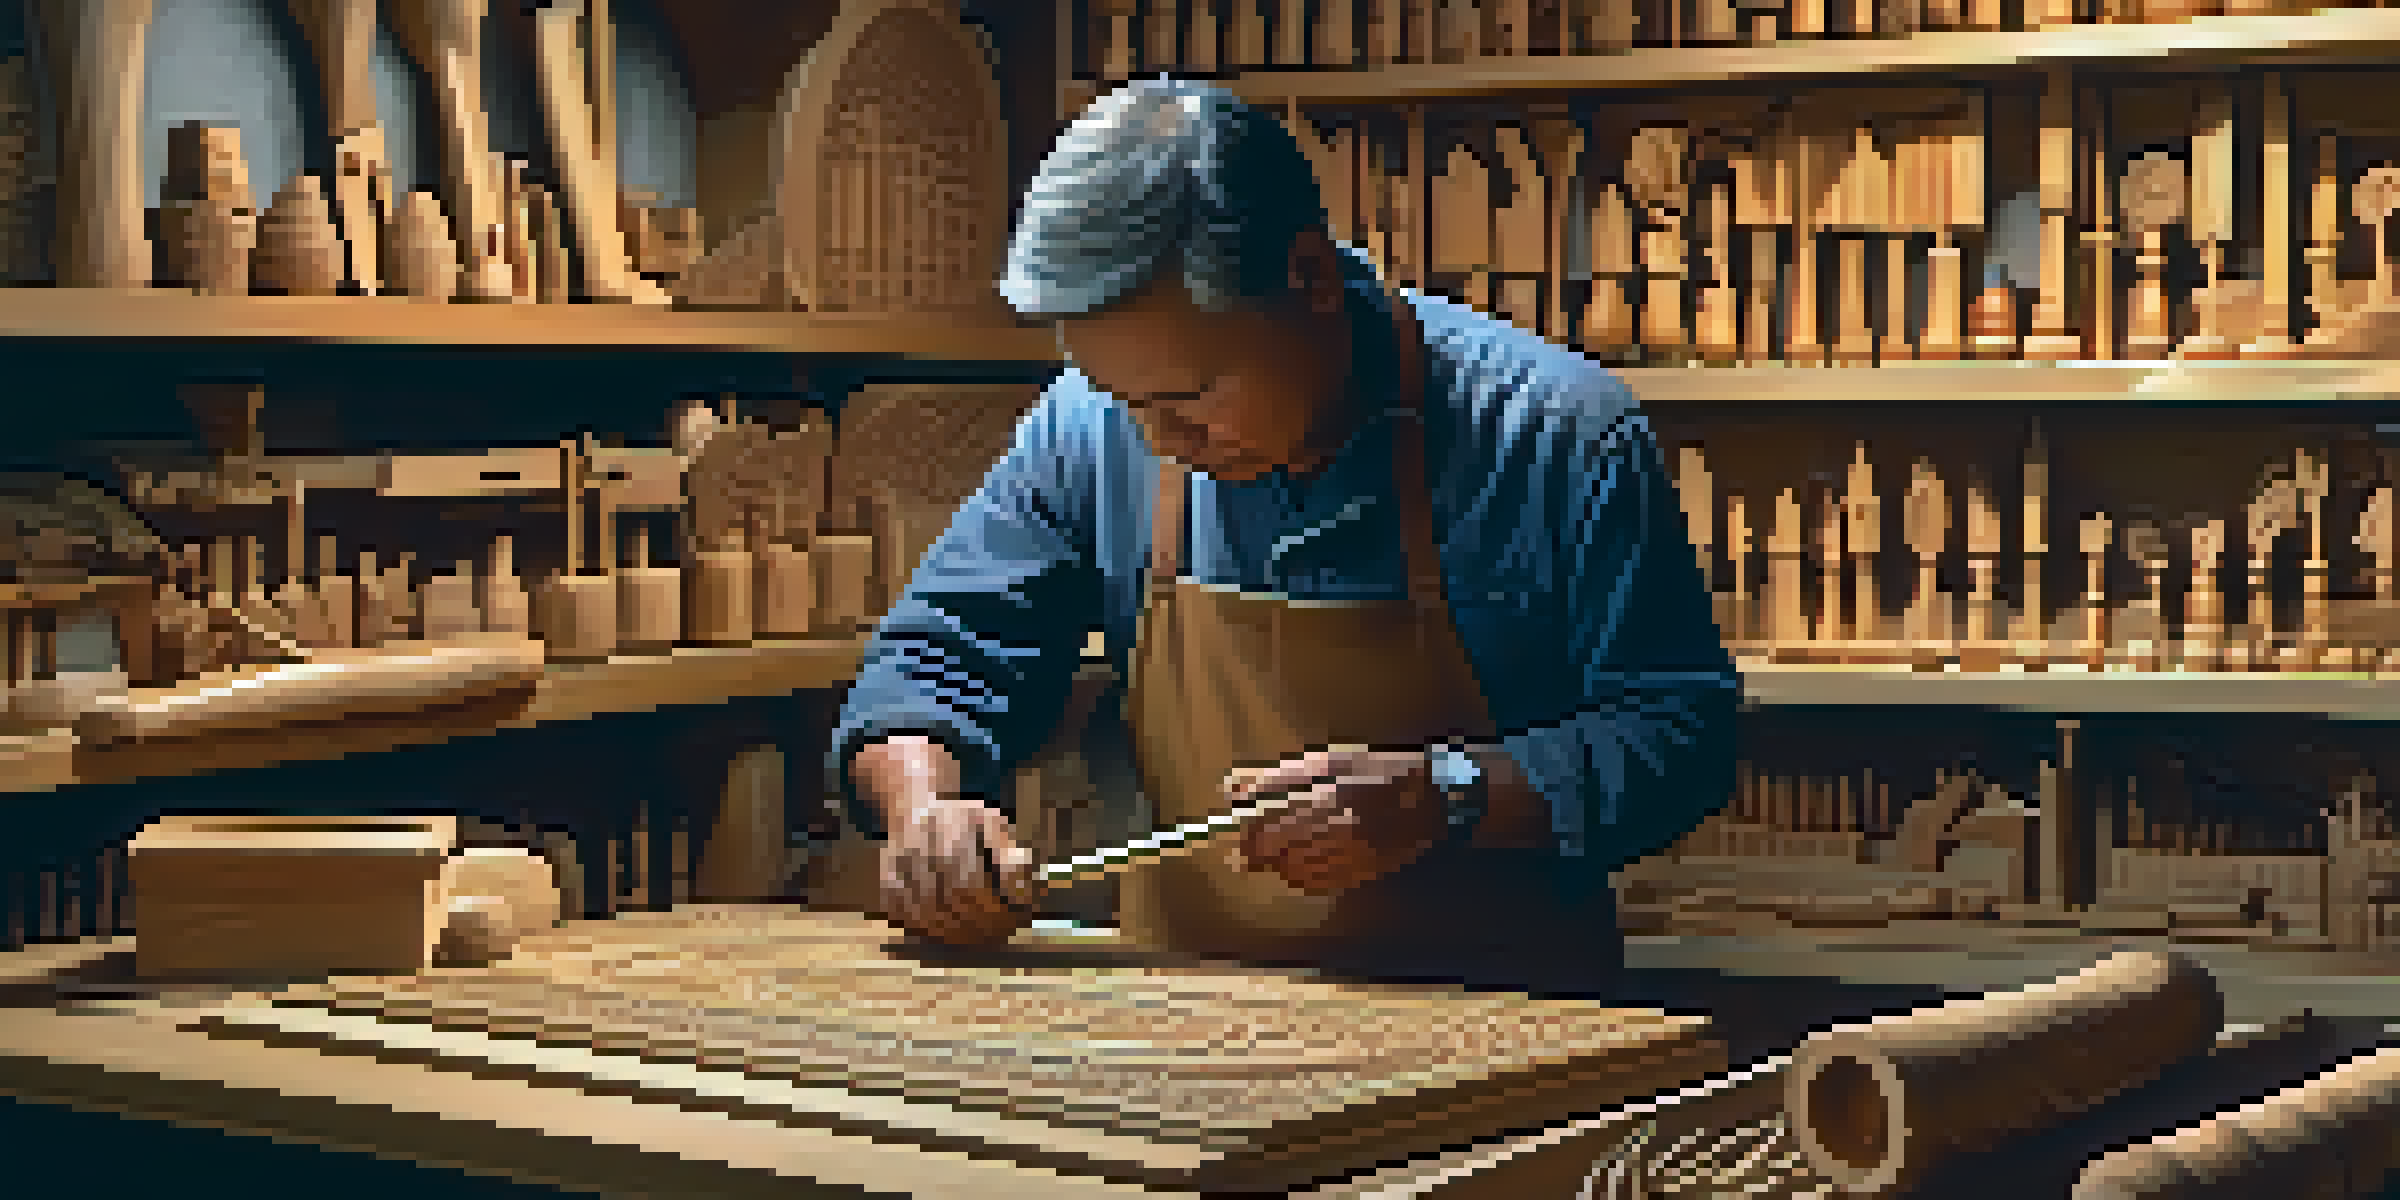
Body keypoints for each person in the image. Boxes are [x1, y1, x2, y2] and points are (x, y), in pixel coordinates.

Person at [827, 77, 1739, 994]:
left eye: (1188, 399)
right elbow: (933, 660)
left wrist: (1449, 793)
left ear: (1306, 279)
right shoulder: (1089, 427)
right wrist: (925, 805)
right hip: (1199, 1019)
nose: (1163, 442)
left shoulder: (1555, 433)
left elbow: (1680, 737)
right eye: (1130, 403)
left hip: (1507, 1029)